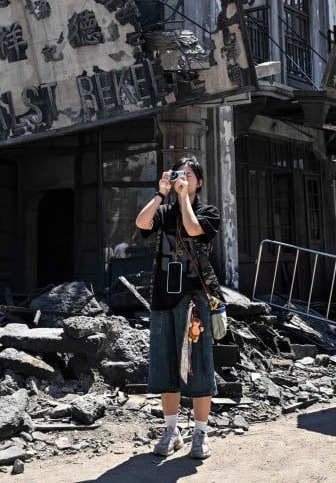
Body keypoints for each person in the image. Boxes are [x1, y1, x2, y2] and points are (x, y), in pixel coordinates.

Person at [135, 156, 221, 459]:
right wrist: (161, 193)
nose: (181, 179)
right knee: (165, 365)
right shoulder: (165, 210)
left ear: (199, 181)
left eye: (187, 176)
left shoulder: (208, 212)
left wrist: (183, 198)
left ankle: (200, 433)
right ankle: (172, 431)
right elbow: (141, 223)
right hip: (162, 296)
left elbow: (194, 229)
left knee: (196, 365)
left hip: (195, 299)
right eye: (177, 175)